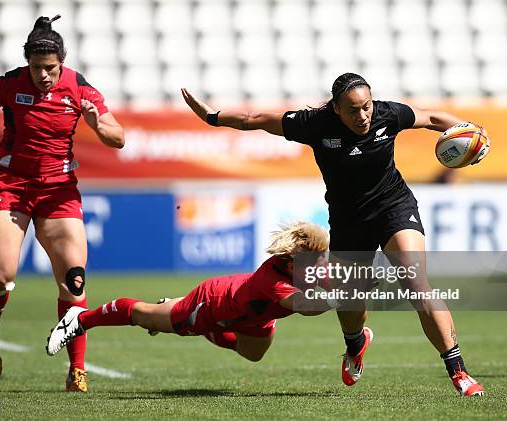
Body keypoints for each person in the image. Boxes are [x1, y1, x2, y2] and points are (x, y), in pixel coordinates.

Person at [181, 73, 485, 397]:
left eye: (366, 107)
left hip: (394, 207)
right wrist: (212, 117)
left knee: (415, 280)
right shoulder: (315, 124)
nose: (363, 116)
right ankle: (356, 343)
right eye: (353, 110)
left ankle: (459, 371)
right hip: (348, 221)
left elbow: (433, 118)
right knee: (351, 300)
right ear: (336, 109)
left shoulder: (388, 114)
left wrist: (474, 133)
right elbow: (254, 119)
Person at [0, 15, 124, 392]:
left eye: (51, 68)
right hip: (11, 185)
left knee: (74, 279)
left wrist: (97, 124)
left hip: (58, 190)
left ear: (62, 62)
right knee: (2, 276)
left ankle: (77, 370)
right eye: (38, 68)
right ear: (27, 63)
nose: (44, 76)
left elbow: (118, 138)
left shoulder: (81, 89)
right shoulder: (10, 84)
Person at [46, 222, 343, 365]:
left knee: (253, 354)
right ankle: (82, 318)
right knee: (145, 318)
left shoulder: (315, 266)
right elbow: (305, 306)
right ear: (291, 263)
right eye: (319, 258)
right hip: (213, 303)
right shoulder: (271, 278)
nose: (323, 262)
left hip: (252, 318)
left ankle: (210, 328)